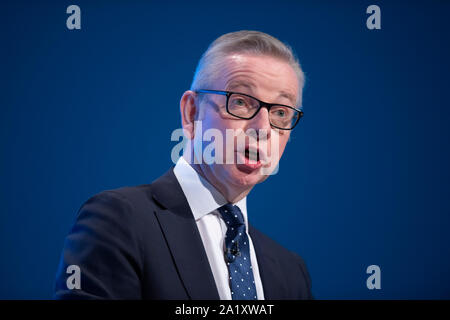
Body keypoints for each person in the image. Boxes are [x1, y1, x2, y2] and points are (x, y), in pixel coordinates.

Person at [54, 30, 313, 300]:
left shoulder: (291, 272)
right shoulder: (118, 221)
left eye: (280, 112)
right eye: (240, 102)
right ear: (191, 113)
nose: (262, 128)